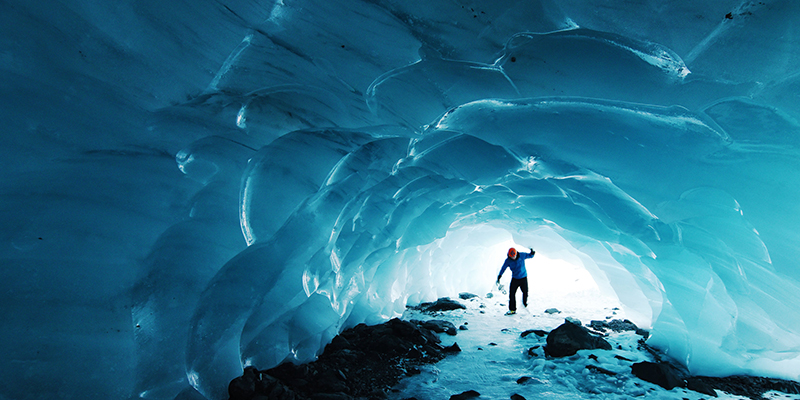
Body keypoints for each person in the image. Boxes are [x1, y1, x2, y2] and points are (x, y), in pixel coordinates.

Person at [497, 247, 535, 315]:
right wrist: (500, 275)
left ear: (516, 253)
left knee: (525, 292)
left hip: (523, 278)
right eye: (512, 257)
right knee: (512, 294)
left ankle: (524, 303)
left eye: (514, 256)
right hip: (515, 279)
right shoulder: (508, 260)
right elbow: (503, 268)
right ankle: (512, 309)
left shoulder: (522, 255)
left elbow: (530, 256)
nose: (513, 258)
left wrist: (532, 253)